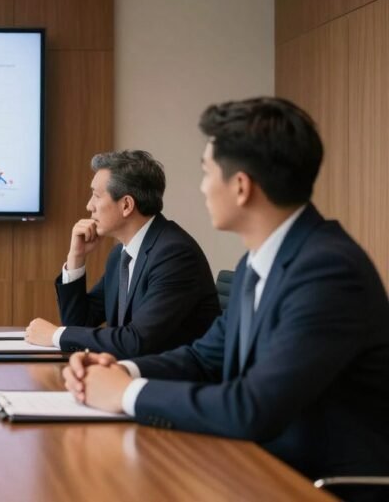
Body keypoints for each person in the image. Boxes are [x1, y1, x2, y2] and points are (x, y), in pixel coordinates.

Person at [63, 98, 389, 495]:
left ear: (240, 187)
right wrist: (120, 369)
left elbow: (252, 407)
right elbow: (203, 357)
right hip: (256, 466)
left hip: (315, 485)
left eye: (206, 173)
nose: (201, 187)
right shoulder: (261, 261)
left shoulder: (328, 272)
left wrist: (125, 394)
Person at [26, 150, 220, 358]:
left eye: (96, 196)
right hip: (131, 374)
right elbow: (80, 323)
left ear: (126, 205)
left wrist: (56, 335)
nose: (89, 206)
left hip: (174, 383)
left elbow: (136, 341)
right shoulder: (121, 254)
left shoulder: (174, 255)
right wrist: (76, 258)